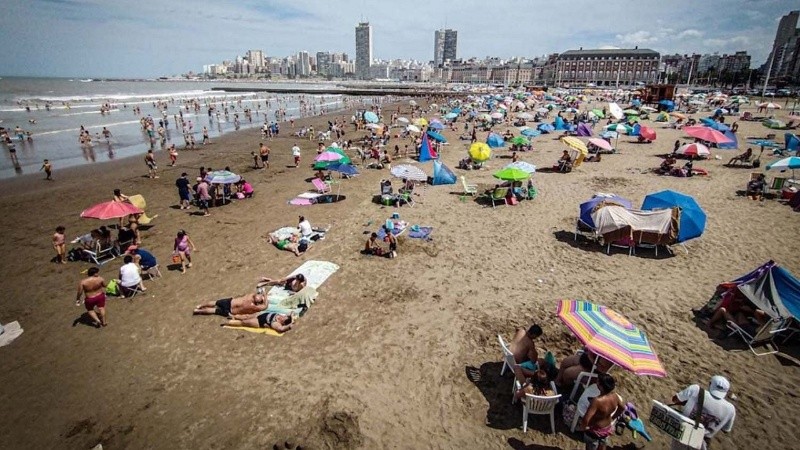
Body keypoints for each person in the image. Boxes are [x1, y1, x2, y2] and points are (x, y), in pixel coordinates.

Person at [670, 376, 735, 450]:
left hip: (683, 434)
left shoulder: (696, 390)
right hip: (702, 442)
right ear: (726, 391)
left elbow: (675, 399)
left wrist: (688, 403)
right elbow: (726, 430)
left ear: (710, 384)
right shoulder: (731, 409)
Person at [581, 373, 625, 450]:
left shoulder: (597, 401)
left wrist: (584, 427)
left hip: (594, 430)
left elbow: (586, 419)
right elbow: (622, 408)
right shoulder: (615, 396)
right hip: (607, 427)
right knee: (602, 445)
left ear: (601, 386)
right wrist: (612, 417)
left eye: (598, 382)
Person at [193, 290, 268, 317]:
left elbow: (257, 296)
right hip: (231, 311)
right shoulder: (255, 307)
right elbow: (265, 306)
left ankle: (200, 306)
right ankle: (198, 311)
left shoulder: (251, 296)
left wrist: (264, 294)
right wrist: (265, 297)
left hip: (230, 303)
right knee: (214, 310)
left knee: (214, 303)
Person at [223, 311, 296, 332]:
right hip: (261, 315)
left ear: (283, 322)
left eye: (284, 317)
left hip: (259, 321)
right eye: (285, 316)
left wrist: (289, 326)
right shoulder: (283, 317)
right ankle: (233, 316)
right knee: (246, 316)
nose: (283, 316)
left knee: (244, 322)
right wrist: (292, 319)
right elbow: (292, 312)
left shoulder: (276, 324)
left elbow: (281, 329)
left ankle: (227, 323)